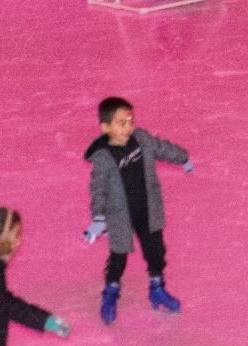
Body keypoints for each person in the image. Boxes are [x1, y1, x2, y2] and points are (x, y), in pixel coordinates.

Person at [82, 96, 191, 326]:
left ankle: (157, 288)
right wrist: (99, 217)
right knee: (118, 257)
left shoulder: (141, 139)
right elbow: (97, 188)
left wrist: (183, 157)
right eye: (121, 123)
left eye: (130, 120)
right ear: (106, 127)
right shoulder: (103, 157)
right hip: (119, 215)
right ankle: (110, 293)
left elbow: (162, 148)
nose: (128, 127)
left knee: (156, 251)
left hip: (147, 209)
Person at [0, 194, 70, 346]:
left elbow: (4, 302)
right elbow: (5, 304)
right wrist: (45, 321)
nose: (19, 241)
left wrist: (45, 320)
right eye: (16, 235)